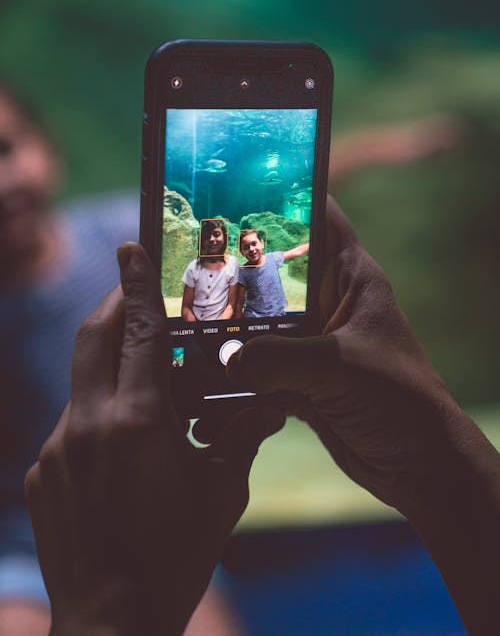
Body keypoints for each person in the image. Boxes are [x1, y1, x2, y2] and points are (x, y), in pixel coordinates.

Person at [25, 197, 500, 636]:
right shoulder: (196, 264)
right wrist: (443, 473)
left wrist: (101, 618)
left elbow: (269, 273)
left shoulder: (115, 226)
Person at [0, 84, 240, 636]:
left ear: (48, 146)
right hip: (18, 550)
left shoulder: (119, 235)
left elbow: (229, 210)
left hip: (152, 526)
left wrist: (367, 153)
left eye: (6, 149)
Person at [236, 229, 309, 317]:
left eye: (254, 244)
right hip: (254, 318)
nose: (251, 249)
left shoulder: (273, 258)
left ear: (262, 243)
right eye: (246, 247)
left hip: (278, 314)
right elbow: (239, 302)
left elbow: (297, 251)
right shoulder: (243, 271)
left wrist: (314, 243)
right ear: (241, 252)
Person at [181, 219, 238, 321]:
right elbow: (186, 308)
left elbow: (231, 306)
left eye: (216, 234)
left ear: (224, 237)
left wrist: (217, 328)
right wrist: (196, 329)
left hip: (221, 325)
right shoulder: (193, 267)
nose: (211, 239)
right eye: (207, 236)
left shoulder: (233, 264)